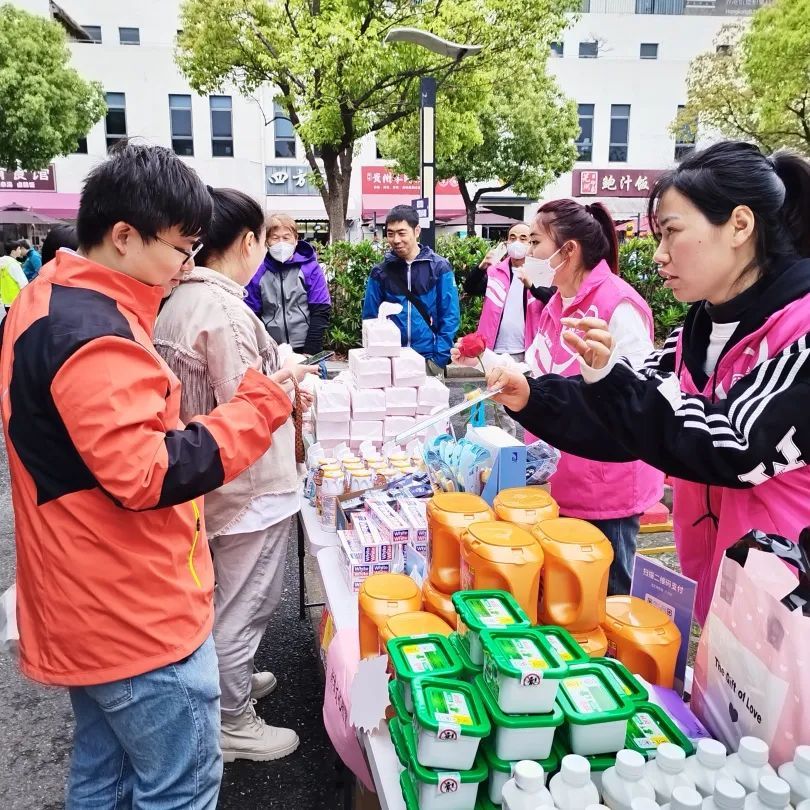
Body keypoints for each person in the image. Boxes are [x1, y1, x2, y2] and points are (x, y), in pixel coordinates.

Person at [0, 143, 303, 808]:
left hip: (81, 590)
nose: (187, 266)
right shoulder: (97, 333)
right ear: (123, 236)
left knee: (104, 775)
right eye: (181, 249)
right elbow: (148, 474)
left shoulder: (48, 298)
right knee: (179, 787)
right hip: (132, 610)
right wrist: (263, 403)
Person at [487, 141, 810, 622]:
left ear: (739, 226)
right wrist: (534, 396)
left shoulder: (801, 331)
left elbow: (734, 444)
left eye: (671, 232)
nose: (659, 255)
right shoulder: (695, 332)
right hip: (723, 589)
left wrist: (608, 380)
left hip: (789, 606)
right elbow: (626, 422)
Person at [155, 188, 316, 763]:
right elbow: (245, 408)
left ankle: (232, 682)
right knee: (245, 605)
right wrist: (287, 377)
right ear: (248, 241)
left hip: (211, 481)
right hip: (247, 486)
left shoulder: (181, 299)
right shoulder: (222, 309)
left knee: (224, 596)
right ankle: (232, 720)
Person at [455, 200, 663, 594]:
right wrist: (482, 358)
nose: (525, 251)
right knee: (565, 597)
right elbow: (534, 373)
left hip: (607, 489)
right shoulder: (557, 303)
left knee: (604, 598)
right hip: (561, 478)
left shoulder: (618, 305)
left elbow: (639, 402)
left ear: (568, 251)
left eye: (535, 241)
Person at [362, 204, 460, 369]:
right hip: (390, 360)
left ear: (416, 231)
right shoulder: (380, 272)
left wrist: (438, 359)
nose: (396, 240)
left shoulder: (439, 267)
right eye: (390, 234)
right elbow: (370, 318)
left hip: (427, 358)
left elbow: (450, 316)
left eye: (402, 233)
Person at [245, 213, 332, 355]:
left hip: (306, 346)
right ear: (267, 242)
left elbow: (321, 310)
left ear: (296, 240)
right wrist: (263, 349)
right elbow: (252, 314)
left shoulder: (310, 268)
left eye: (286, 237)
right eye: (275, 238)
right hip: (271, 349)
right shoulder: (257, 271)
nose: (281, 243)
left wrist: (310, 353)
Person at [463, 222, 543, 361]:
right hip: (494, 349)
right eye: (512, 238)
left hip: (528, 350)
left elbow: (550, 298)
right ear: (506, 242)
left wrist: (531, 286)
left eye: (523, 238)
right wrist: (482, 266)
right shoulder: (495, 272)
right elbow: (470, 288)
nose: (517, 242)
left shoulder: (540, 273)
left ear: (531, 243)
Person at [0, 243, 28, 309]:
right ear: (13, 251)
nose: (20, 251)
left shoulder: (2, 262)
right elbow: (23, 283)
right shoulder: (13, 264)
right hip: (17, 299)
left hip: (6, 300)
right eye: (19, 249)